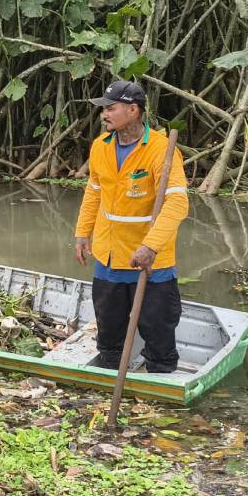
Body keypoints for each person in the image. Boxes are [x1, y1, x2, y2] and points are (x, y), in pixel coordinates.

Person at [73, 80, 189, 373]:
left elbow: (177, 204)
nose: (104, 114)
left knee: (157, 328)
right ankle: (110, 375)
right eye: (104, 109)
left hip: (150, 261)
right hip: (108, 255)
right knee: (109, 330)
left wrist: (150, 246)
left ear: (133, 110)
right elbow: (93, 192)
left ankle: (161, 382)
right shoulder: (100, 147)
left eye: (111, 108)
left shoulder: (162, 150)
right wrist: (82, 232)